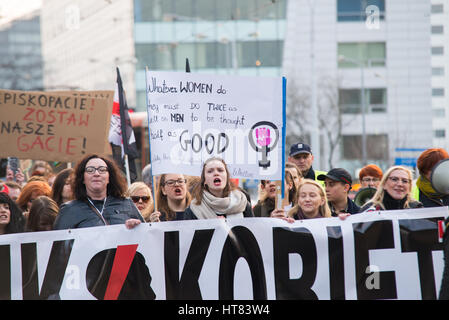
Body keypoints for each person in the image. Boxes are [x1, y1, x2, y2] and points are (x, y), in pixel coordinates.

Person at [53, 154, 144, 230]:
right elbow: (60, 247)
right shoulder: (69, 210)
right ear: (82, 179)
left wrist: (137, 228)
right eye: (90, 170)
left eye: (102, 170)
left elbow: (146, 239)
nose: (96, 174)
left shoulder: (127, 204)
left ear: (109, 178)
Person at [184, 157, 253, 219]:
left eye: (220, 170)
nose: (216, 173)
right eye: (210, 171)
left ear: (227, 176)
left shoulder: (242, 202)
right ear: (204, 180)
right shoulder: (194, 209)